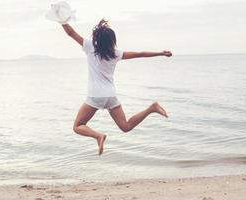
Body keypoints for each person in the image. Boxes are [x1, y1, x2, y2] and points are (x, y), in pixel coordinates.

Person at [61, 19, 172, 155]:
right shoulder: (115, 53)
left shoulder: (90, 47)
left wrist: (62, 20)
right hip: (111, 96)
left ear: (96, 39)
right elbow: (140, 54)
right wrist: (161, 53)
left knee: (78, 126)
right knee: (125, 126)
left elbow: (71, 33)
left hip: (95, 96)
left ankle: (98, 136)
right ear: (112, 40)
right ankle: (152, 108)